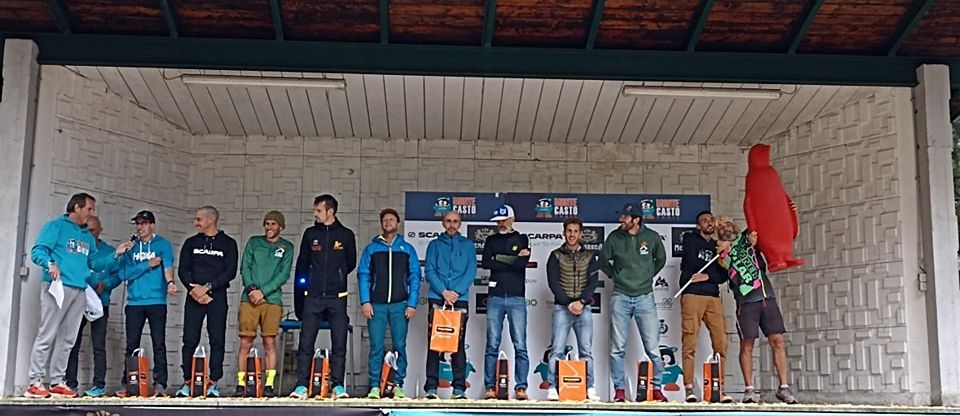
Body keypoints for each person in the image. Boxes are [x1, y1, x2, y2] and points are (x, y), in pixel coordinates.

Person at [26, 193, 126, 398]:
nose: (91, 213)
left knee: (68, 338)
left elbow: (95, 263)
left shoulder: (87, 237)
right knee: (47, 333)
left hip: (80, 289)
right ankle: (35, 381)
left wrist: (115, 254)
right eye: (89, 209)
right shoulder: (55, 227)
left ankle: (57, 381)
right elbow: (38, 251)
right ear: (77, 208)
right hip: (57, 286)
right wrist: (50, 264)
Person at [715, 216, 799, 404]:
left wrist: (788, 211)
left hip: (767, 296)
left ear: (734, 226)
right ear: (717, 232)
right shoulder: (720, 251)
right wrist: (739, 246)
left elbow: (766, 223)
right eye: (721, 226)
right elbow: (725, 263)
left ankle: (784, 387)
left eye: (728, 224)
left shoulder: (747, 237)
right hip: (746, 302)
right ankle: (749, 389)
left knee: (778, 340)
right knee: (748, 344)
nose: (725, 228)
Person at [290, 194, 357, 400]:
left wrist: (337, 276)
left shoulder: (346, 235)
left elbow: (350, 263)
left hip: (337, 297)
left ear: (330, 211)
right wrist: (302, 295)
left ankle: (338, 386)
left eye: (318, 210)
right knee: (305, 343)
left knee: (339, 343)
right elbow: (302, 264)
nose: (315, 214)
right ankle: (302, 386)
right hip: (313, 297)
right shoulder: (310, 234)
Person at [600, 202, 667, 402]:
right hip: (620, 295)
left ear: (636, 220)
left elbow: (661, 260)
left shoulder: (652, 237)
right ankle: (619, 390)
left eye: (625, 217)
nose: (621, 220)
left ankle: (657, 388)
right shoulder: (614, 237)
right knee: (617, 348)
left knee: (653, 348)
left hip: (645, 296)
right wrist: (616, 276)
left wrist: (647, 276)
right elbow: (603, 261)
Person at [358, 208, 421, 399]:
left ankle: (398, 385)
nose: (388, 223)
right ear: (381, 224)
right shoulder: (372, 249)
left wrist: (412, 304)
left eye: (391, 219)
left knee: (399, 346)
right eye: (385, 220)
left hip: (400, 305)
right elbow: (363, 275)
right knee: (376, 347)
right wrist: (365, 301)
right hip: (376, 305)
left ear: (398, 223)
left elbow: (415, 277)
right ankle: (374, 386)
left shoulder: (407, 249)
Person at [176, 206, 239, 398]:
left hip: (216, 297)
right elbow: (183, 270)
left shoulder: (228, 243)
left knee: (217, 340)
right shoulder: (191, 243)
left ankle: (214, 382)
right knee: (189, 339)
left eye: (199, 219)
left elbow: (230, 272)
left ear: (211, 220)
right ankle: (188, 381)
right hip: (194, 296)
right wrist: (194, 290)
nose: (196, 223)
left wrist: (208, 287)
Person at [115, 210, 177, 398]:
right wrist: (146, 265)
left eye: (143, 223)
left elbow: (167, 266)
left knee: (159, 343)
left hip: (157, 300)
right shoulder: (131, 247)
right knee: (131, 344)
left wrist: (170, 282)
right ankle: (128, 384)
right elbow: (123, 274)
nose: (139, 227)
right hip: (134, 302)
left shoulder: (162, 244)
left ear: (152, 225)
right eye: (137, 223)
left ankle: (160, 385)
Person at [235, 210, 294, 398]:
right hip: (249, 298)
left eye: (273, 224)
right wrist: (252, 289)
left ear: (281, 227)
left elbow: (283, 274)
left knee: (269, 341)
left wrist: (264, 292)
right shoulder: (254, 242)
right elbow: (245, 267)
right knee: (245, 341)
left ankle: (269, 385)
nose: (269, 227)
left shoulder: (287, 247)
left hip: (272, 300)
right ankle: (241, 384)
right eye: (267, 223)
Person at [677, 211, 733, 403]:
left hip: (712, 296)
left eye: (711, 220)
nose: (709, 223)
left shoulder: (718, 245)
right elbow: (692, 261)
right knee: (690, 341)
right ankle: (689, 388)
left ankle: (719, 389)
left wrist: (709, 275)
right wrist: (709, 269)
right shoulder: (690, 239)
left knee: (721, 341)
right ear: (698, 226)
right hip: (692, 293)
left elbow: (724, 275)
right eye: (704, 221)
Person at [64, 215, 122, 398]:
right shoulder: (79, 248)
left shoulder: (108, 251)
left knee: (98, 345)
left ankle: (98, 385)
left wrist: (106, 284)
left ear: (100, 230)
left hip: (100, 302)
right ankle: (70, 384)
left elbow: (118, 275)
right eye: (86, 230)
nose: (89, 233)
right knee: (72, 343)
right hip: (78, 300)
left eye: (92, 230)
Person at [544, 217, 601, 401]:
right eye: (569, 231)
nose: (572, 235)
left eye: (575, 231)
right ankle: (552, 387)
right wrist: (568, 303)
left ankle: (590, 387)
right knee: (557, 350)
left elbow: (593, 282)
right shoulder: (555, 255)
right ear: (564, 233)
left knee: (586, 351)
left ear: (580, 234)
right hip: (562, 308)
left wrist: (581, 302)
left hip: (584, 308)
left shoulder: (590, 256)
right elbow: (553, 282)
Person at [423, 210, 476, 400]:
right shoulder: (434, 245)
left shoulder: (468, 245)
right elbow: (430, 271)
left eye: (455, 221)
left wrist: (455, 293)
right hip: (437, 298)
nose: (452, 224)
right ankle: (431, 388)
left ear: (460, 224)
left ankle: (459, 389)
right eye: (448, 221)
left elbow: (471, 272)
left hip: (459, 299)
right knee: (434, 344)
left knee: (458, 344)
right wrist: (444, 292)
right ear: (443, 223)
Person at [481, 204, 531, 400]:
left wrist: (499, 258)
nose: (500, 224)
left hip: (517, 297)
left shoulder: (522, 239)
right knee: (492, 344)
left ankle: (521, 388)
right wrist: (511, 259)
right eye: (498, 221)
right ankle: (489, 387)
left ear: (512, 219)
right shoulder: (491, 240)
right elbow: (486, 262)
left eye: (504, 220)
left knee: (520, 345)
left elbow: (522, 264)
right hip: (495, 297)